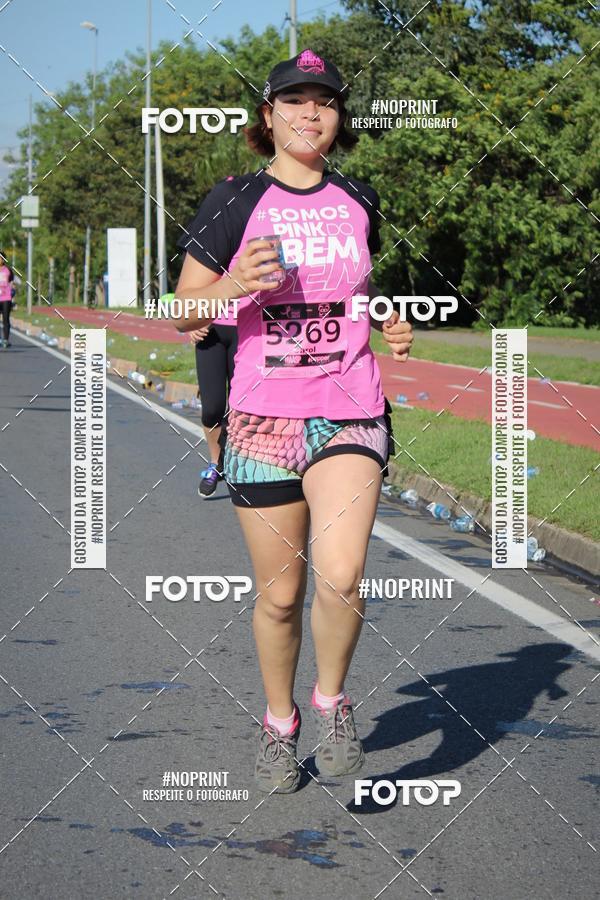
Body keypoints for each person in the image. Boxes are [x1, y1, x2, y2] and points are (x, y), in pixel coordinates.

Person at [174, 49, 413, 793]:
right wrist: (234, 282)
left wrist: (391, 322)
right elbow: (184, 313)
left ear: (339, 120)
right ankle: (280, 725)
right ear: (268, 116)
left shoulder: (359, 198)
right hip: (261, 417)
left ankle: (332, 699)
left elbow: (361, 296)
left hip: (348, 407)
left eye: (326, 102)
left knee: (340, 577)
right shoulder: (233, 202)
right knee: (280, 596)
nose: (312, 113)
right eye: (296, 101)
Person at [184, 295, 238, 498]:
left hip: (249, 330)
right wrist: (190, 321)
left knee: (240, 407)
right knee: (212, 408)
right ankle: (216, 464)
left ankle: (238, 464)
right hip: (210, 331)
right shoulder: (207, 260)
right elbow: (189, 289)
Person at [0, 254, 15, 348]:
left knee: (6, 319)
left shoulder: (8, 270)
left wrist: (12, 293)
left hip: (6, 298)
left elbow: (12, 283)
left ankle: (6, 340)